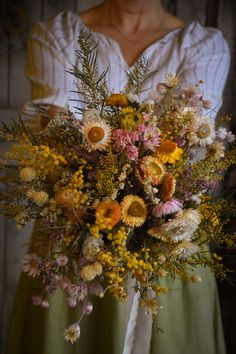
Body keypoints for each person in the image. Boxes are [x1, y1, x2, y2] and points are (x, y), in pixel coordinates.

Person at [6, 1, 230, 354]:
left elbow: (187, 148)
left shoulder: (203, 46)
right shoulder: (58, 36)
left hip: (167, 234)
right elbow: (59, 140)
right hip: (76, 238)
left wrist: (128, 169)